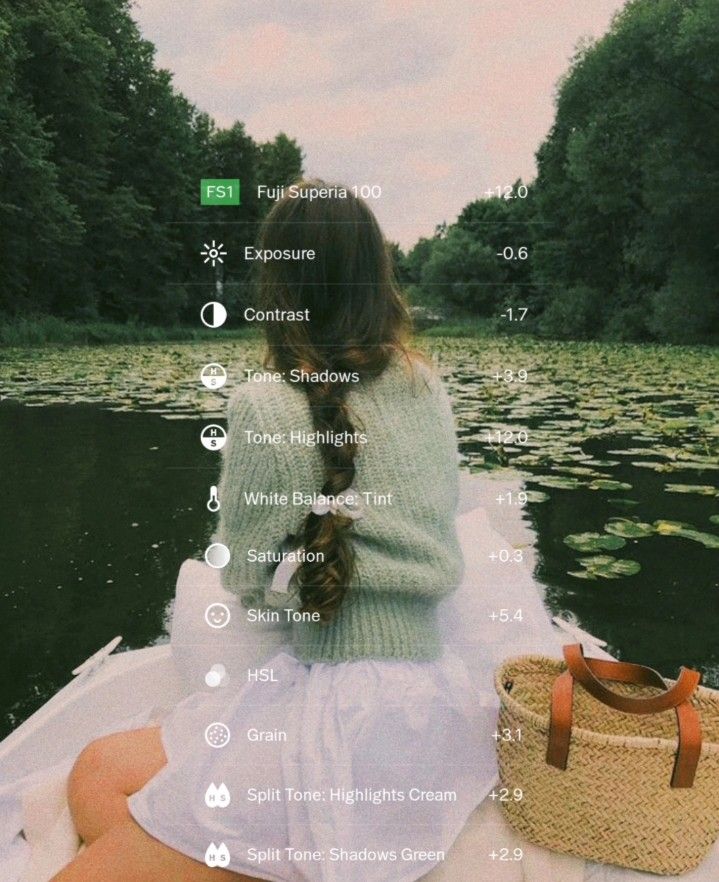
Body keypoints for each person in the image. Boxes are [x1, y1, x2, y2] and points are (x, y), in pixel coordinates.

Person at [52, 182, 486, 881]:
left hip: (344, 715)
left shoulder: (265, 406)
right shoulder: (423, 385)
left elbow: (246, 577)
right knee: (99, 767)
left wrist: (299, 568)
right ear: (377, 278)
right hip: (430, 708)